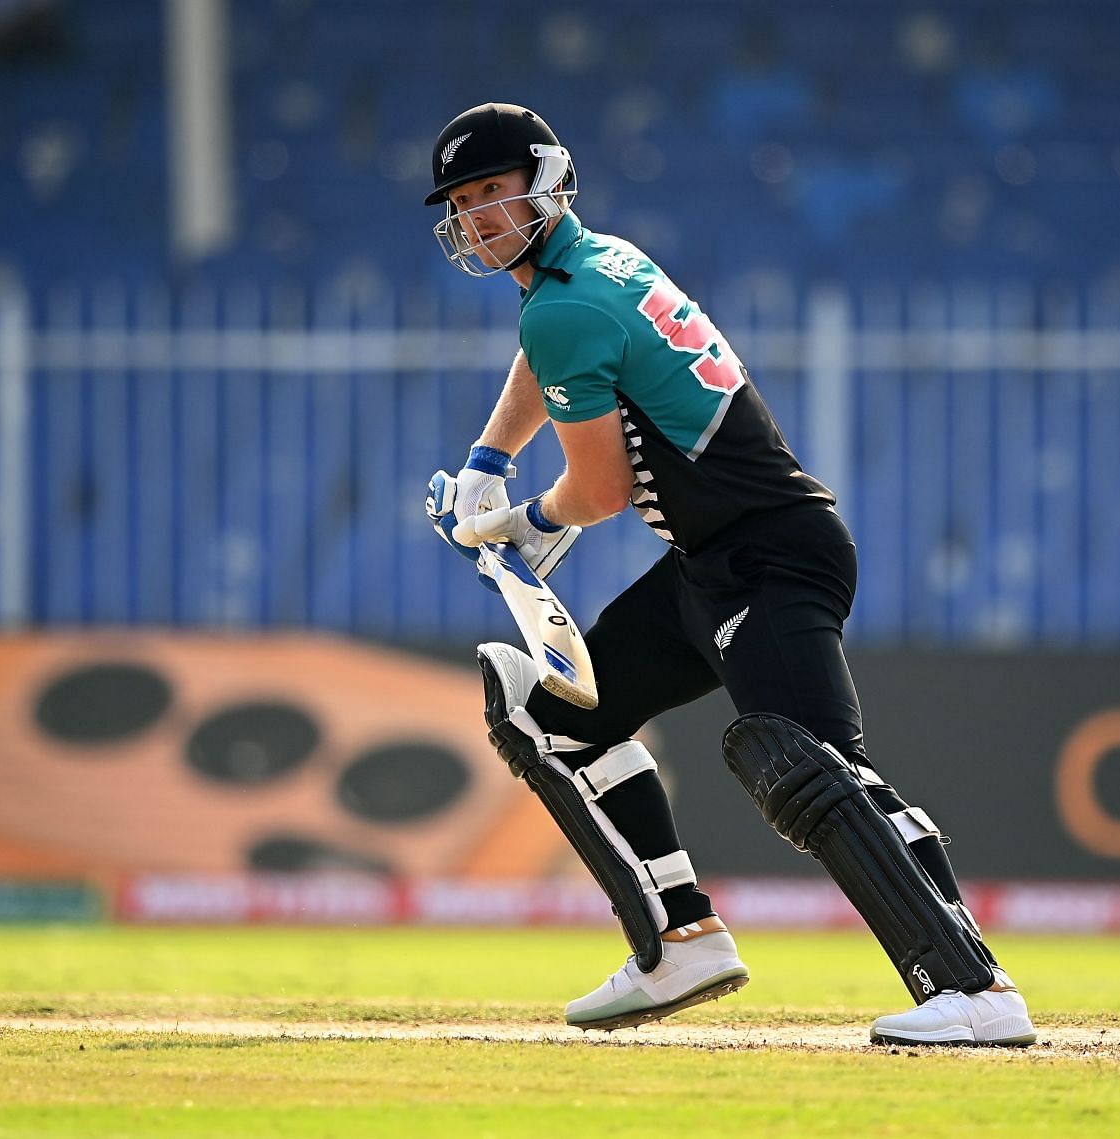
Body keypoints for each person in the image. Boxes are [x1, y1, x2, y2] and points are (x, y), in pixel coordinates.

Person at [421, 102, 1035, 1046]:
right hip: (714, 562)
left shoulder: (568, 302)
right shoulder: (590, 266)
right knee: (555, 717)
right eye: (462, 203)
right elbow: (542, 357)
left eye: (493, 192)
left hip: (771, 556)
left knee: (813, 765)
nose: (478, 218)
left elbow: (602, 488)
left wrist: (519, 523)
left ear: (545, 180)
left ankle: (976, 989)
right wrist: (488, 460)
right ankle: (680, 940)